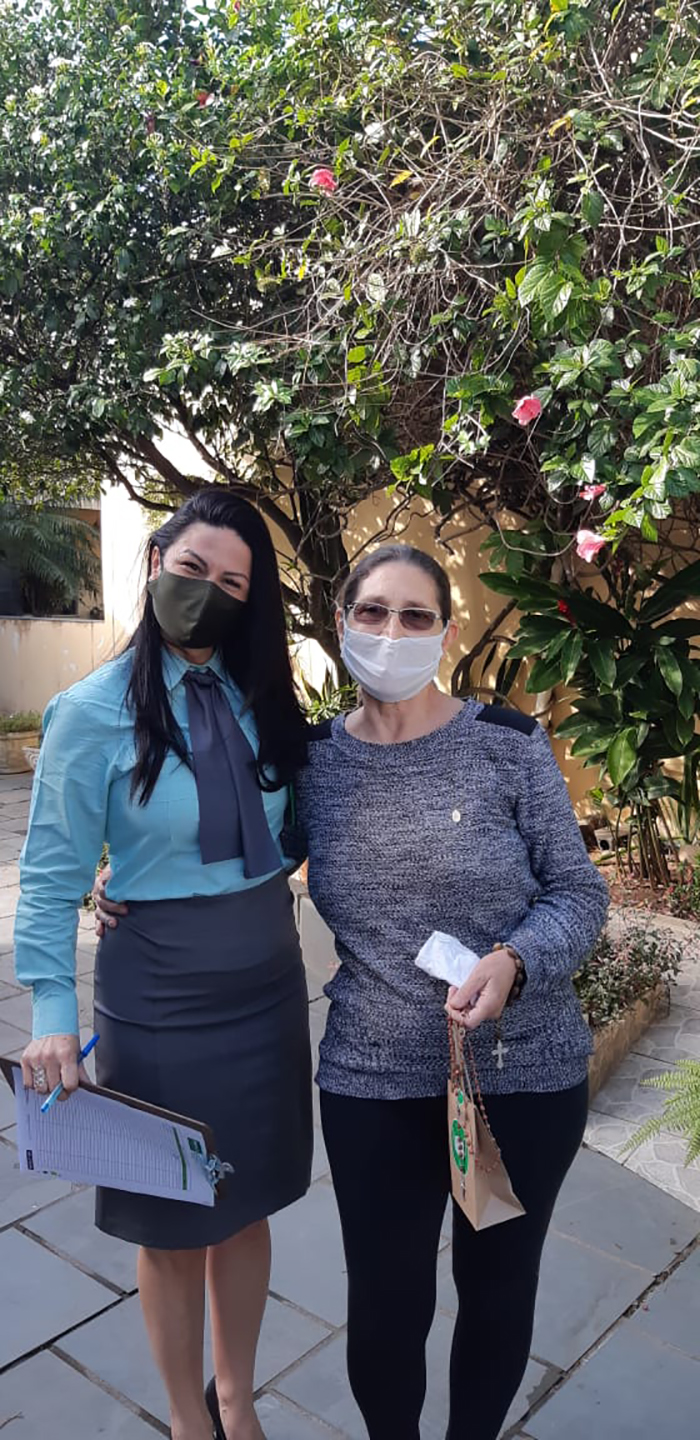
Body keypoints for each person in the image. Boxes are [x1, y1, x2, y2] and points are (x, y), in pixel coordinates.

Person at [96, 541, 610, 1440]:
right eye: (373, 611)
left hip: (521, 1074)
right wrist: (134, 881)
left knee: (497, 1289)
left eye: (415, 616)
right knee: (384, 1304)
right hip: (373, 1082)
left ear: (445, 631)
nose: (392, 632)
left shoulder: (508, 745)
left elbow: (578, 892)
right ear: (341, 625)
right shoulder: (312, 762)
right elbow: (243, 854)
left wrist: (516, 961)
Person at [15, 490, 313, 1440]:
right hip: (162, 1000)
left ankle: (238, 1400)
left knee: (248, 1203)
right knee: (176, 1217)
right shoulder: (88, 713)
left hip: (267, 984)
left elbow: (289, 828)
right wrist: (51, 1012)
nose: (208, 592)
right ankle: (188, 1419)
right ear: (154, 564)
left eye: (234, 582)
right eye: (192, 570)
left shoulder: (261, 694)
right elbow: (50, 876)